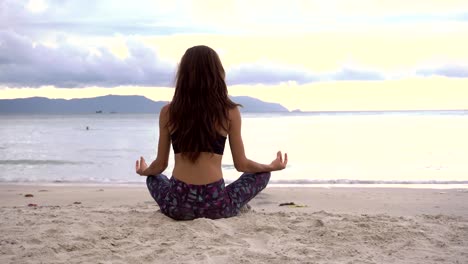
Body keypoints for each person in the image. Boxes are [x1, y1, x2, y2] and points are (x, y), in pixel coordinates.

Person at [135, 45, 288, 220]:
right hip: (217, 206)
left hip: (177, 205)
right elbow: (242, 165)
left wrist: (145, 171)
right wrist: (270, 167)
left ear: (183, 75)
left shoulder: (168, 112)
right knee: (262, 175)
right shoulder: (230, 112)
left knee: (154, 178)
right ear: (217, 74)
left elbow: (160, 165)